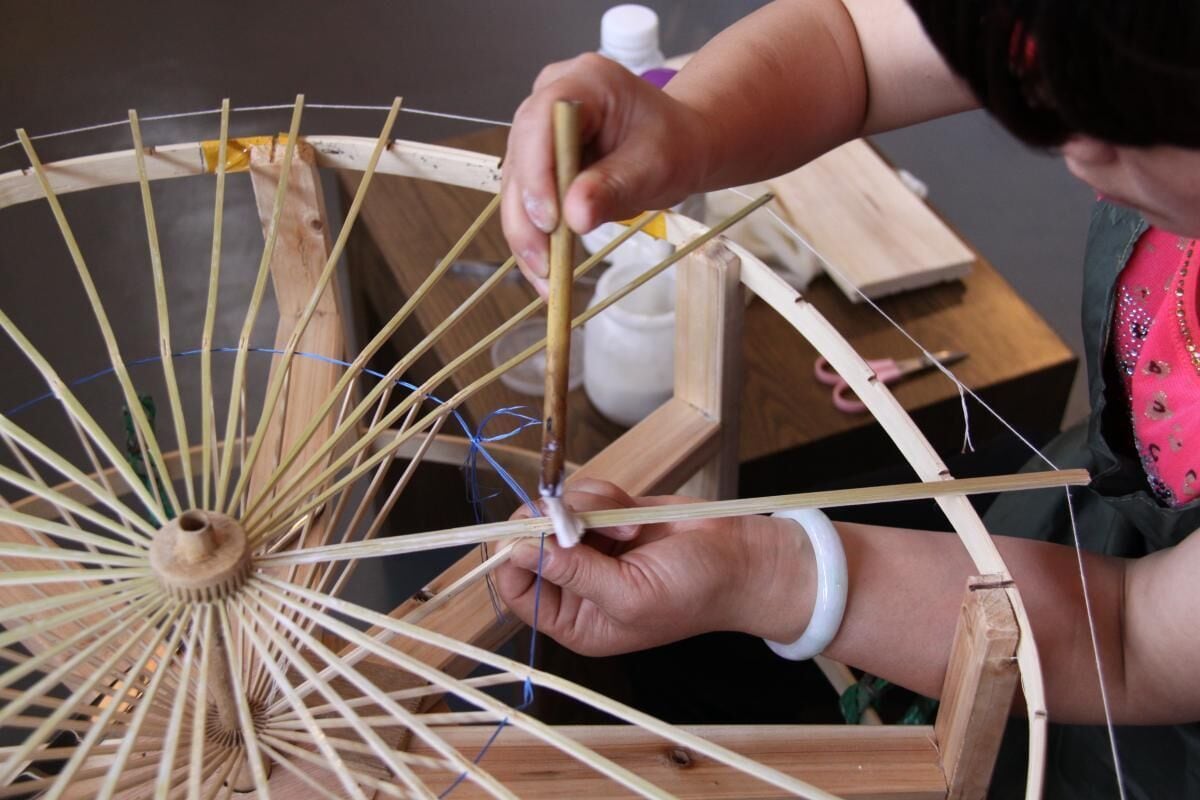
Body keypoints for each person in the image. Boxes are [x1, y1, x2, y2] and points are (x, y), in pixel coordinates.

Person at [494, 1, 1200, 796]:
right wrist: (689, 122)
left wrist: (761, 576)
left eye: (1136, 115)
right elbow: (855, 44)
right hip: (1096, 517)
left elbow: (1131, 639)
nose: (1077, 149)